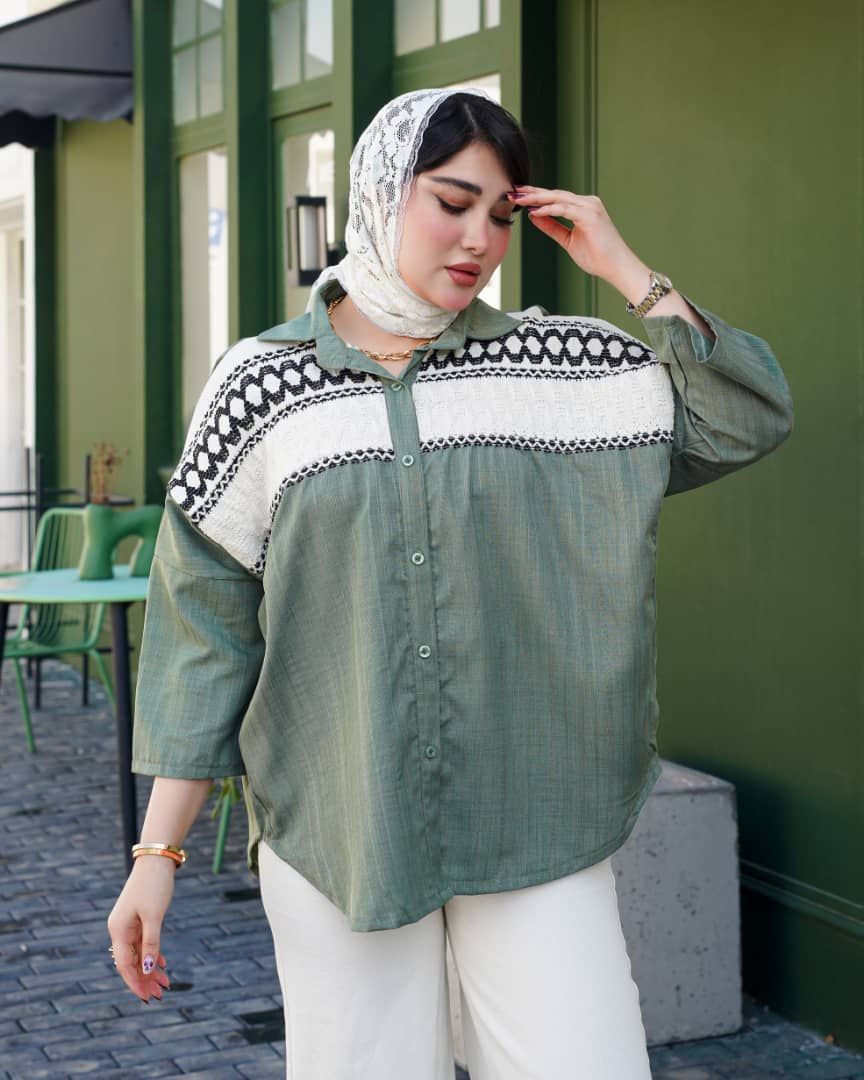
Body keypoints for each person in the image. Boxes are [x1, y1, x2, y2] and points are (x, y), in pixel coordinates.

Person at [107, 86, 794, 1079]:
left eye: (501, 214)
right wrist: (156, 857)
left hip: (536, 819)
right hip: (341, 830)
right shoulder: (262, 388)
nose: (478, 239)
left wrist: (626, 271)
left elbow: (746, 415)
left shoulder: (566, 368)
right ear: (380, 194)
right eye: (451, 202)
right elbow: (204, 629)